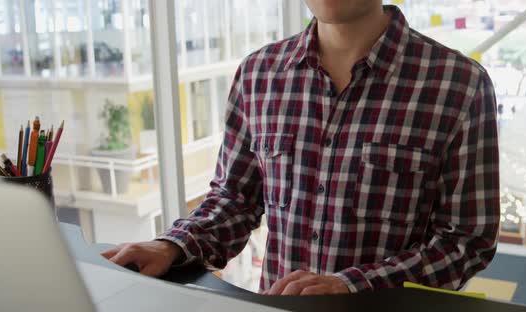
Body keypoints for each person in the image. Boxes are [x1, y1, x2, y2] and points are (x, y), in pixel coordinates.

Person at [103, 1, 500, 296]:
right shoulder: (260, 73)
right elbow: (235, 198)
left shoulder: (459, 85)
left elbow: (466, 242)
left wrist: (352, 287)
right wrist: (173, 244)